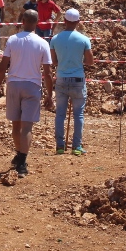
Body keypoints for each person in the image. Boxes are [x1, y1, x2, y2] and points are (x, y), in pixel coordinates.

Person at [0, 9, 53, 178]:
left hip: (13, 84)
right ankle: (22, 163)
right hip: (32, 86)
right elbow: (47, 72)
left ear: (23, 21)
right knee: (27, 127)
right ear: (38, 22)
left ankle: (19, 155)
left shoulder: (12, 40)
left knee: (15, 126)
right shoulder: (43, 43)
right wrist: (49, 94)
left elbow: (3, 67)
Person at [49, 8, 94, 156]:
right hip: (78, 80)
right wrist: (78, 61)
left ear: (64, 21)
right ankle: (76, 146)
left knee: (60, 114)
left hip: (61, 79)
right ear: (78, 22)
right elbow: (90, 61)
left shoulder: (55, 39)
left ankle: (60, 146)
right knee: (78, 115)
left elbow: (54, 61)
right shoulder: (84, 40)